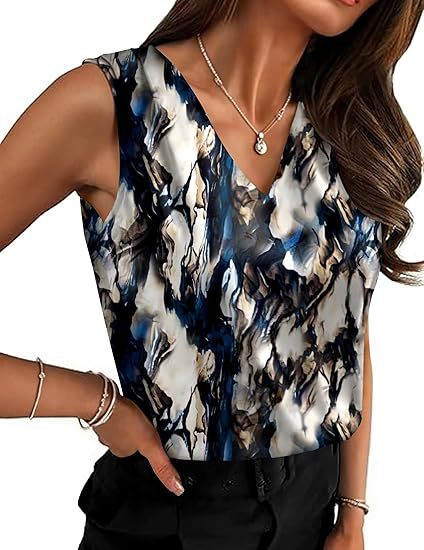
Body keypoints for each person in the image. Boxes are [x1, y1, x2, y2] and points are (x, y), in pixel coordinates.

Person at [1, 1, 423, 549]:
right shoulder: (117, 104)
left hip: (316, 516)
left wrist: (353, 515)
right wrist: (92, 401)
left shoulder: (342, 120)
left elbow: (343, 325)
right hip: (172, 516)